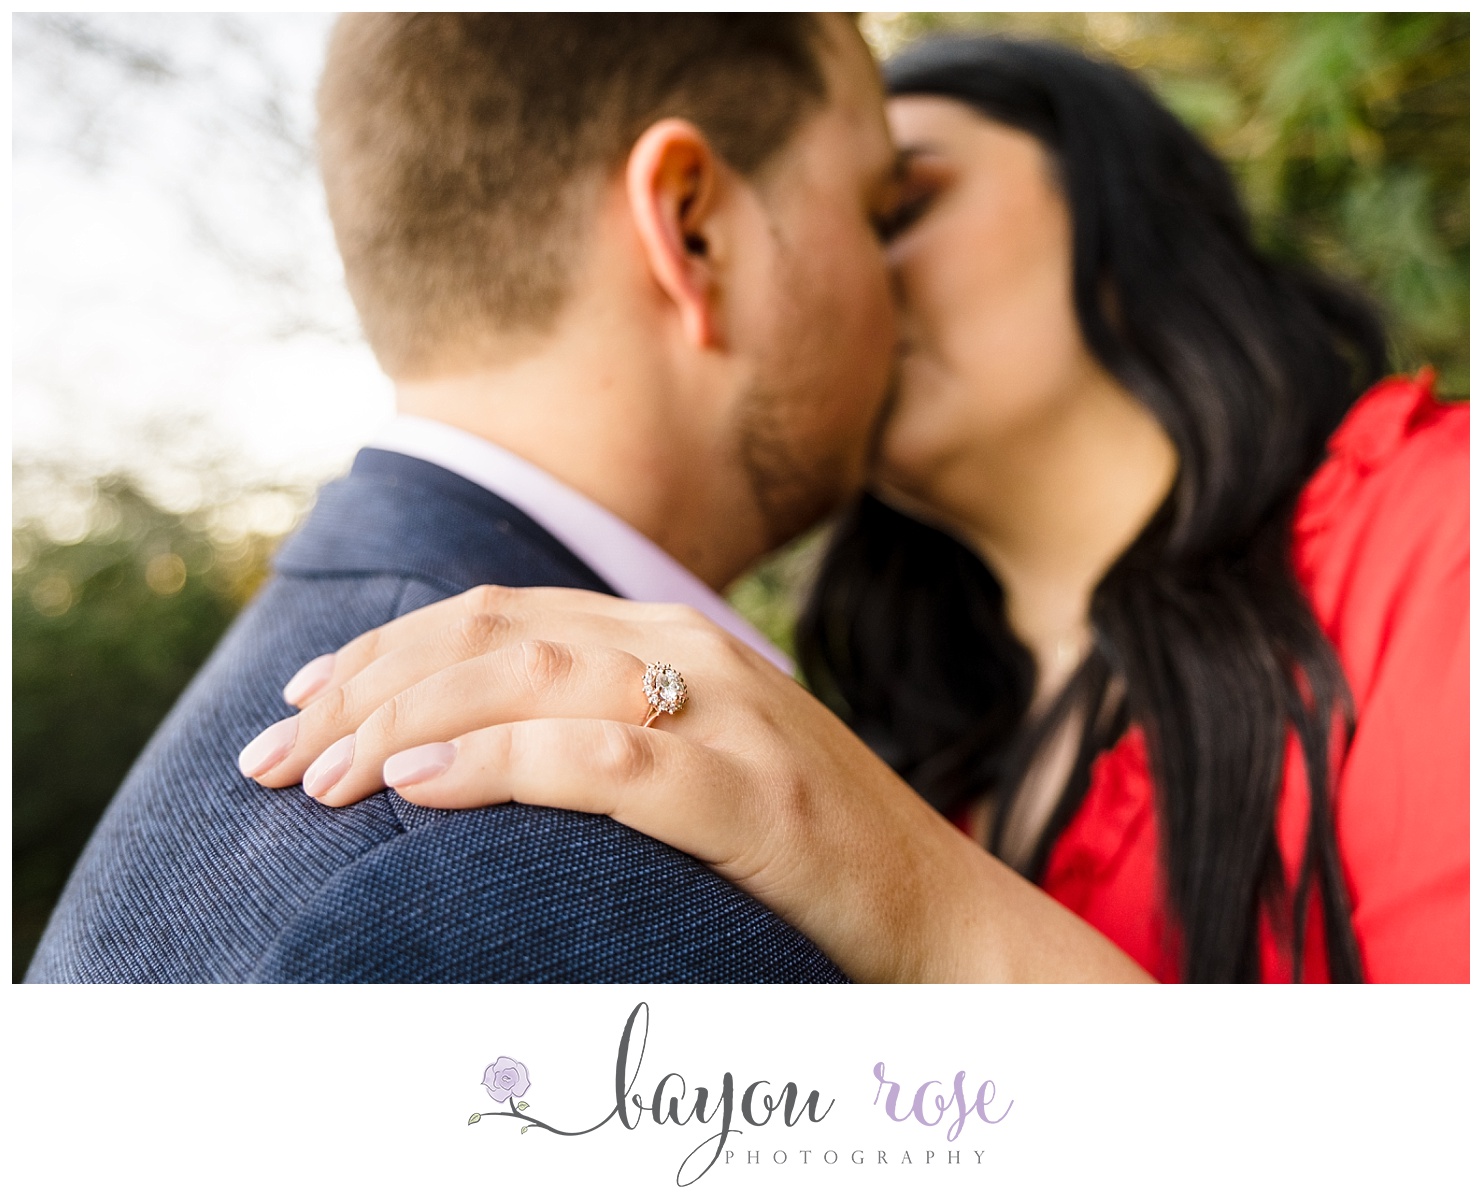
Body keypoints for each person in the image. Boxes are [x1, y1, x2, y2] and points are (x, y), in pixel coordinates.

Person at [253, 37, 1468, 983]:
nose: (828, 272)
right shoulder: (924, 728)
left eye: (896, 208)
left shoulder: (1434, 525)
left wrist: (926, 905)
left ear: (1122, 212)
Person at [27, 13, 904, 983]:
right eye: (876, 211)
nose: (902, 296)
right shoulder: (511, 859)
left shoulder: (339, 677)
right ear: (692, 227)